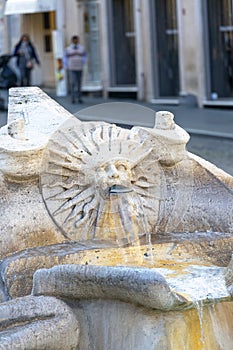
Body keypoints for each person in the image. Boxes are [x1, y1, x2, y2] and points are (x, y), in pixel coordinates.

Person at [64, 35, 87, 104]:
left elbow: (85, 56)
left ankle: (79, 97)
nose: (75, 41)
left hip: (79, 67)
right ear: (72, 41)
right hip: (72, 68)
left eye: (76, 40)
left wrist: (83, 62)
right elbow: (65, 57)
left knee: (79, 83)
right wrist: (66, 65)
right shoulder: (68, 49)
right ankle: (73, 98)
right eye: (74, 40)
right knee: (73, 83)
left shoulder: (82, 48)